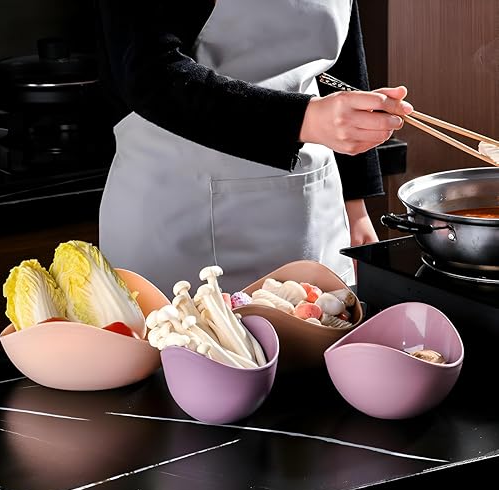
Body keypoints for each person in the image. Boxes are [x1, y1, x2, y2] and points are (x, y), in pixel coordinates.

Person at [95, 0, 413, 296]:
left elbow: (341, 63)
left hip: (314, 215)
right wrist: (306, 120)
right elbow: (148, 71)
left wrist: (354, 208)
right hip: (182, 223)